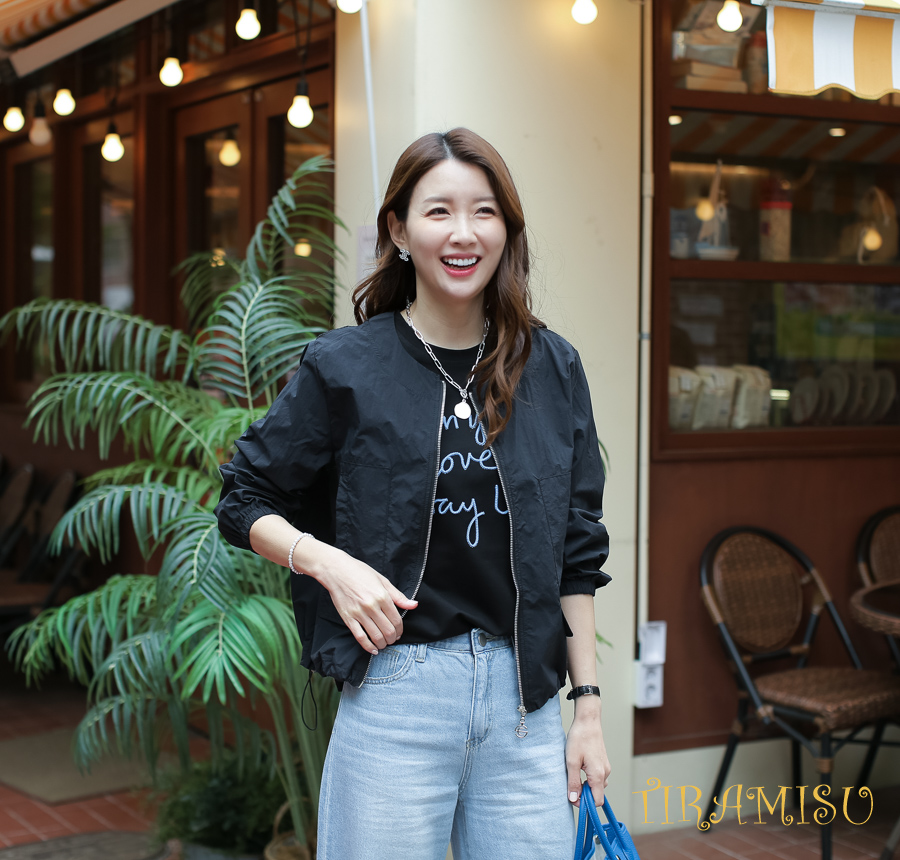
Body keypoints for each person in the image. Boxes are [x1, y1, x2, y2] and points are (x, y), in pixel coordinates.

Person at [215, 128, 611, 860]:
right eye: (439, 212)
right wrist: (330, 565)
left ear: (507, 230)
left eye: (484, 211)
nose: (463, 233)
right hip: (396, 696)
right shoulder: (346, 366)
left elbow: (577, 552)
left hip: (522, 706)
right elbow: (242, 498)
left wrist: (586, 710)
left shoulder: (552, 367)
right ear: (399, 231)